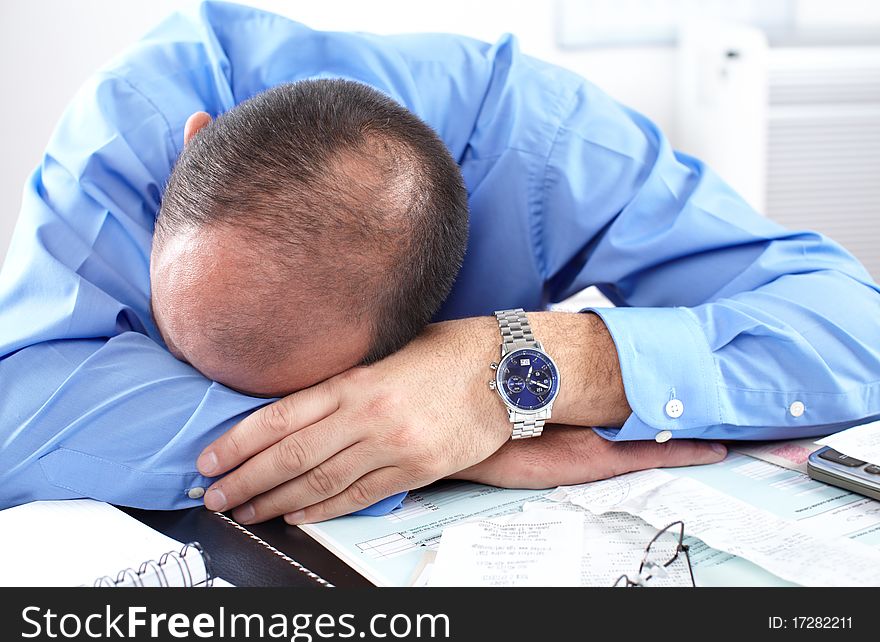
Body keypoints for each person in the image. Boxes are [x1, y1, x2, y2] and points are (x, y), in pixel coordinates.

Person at [1, 3, 878, 526]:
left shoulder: (548, 146)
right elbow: (21, 410)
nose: (194, 378)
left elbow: (854, 323)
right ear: (191, 153)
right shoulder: (138, 124)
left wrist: (514, 367)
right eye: (177, 349)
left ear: (427, 297)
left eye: (312, 386)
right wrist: (419, 439)